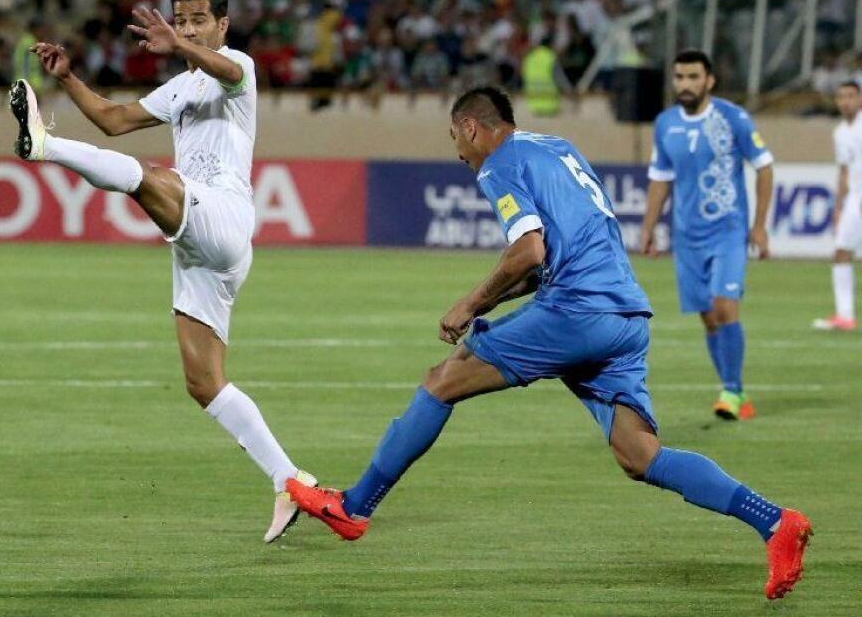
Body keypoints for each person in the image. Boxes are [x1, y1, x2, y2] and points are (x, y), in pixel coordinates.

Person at [286, 87, 811, 602]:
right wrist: (493, 301)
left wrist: (469, 304)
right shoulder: (559, 148)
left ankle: (355, 507)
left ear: (472, 127)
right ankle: (775, 522)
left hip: (577, 311)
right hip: (625, 313)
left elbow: (528, 252)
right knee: (639, 455)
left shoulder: (498, 165)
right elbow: (554, 255)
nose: (458, 153)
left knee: (440, 381)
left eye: (455, 138)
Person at [8, 0, 313, 542]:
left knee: (150, 179)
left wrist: (183, 47)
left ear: (222, 24)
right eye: (181, 19)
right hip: (200, 250)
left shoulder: (235, 68)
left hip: (222, 214)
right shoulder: (180, 89)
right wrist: (69, 78)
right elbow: (116, 119)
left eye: (198, 19)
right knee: (204, 383)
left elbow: (228, 73)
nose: (188, 27)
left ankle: (45, 146)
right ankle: (290, 479)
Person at [640, 50, 774, 421]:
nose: (685, 84)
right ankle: (737, 392)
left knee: (724, 305)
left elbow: (764, 168)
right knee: (709, 317)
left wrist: (759, 225)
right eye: (679, 77)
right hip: (687, 237)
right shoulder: (666, 123)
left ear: (709, 80)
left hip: (728, 229)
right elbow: (660, 179)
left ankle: (730, 391)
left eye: (693, 77)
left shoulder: (733, 118)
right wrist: (649, 227)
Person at [812, 80, 862, 331]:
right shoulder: (840, 132)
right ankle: (845, 316)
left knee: (843, 253)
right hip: (855, 200)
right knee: (841, 253)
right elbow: (844, 170)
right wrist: (839, 206)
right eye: (841, 96)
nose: (846, 101)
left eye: (851, 96)